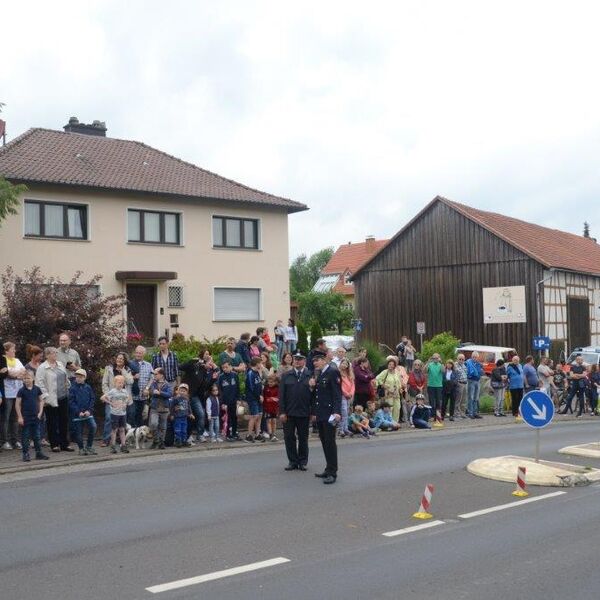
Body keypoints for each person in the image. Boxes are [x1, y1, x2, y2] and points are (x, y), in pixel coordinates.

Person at [311, 351, 342, 485]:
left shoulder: (332, 371)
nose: (315, 363)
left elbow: (336, 394)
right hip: (321, 413)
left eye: (317, 360)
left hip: (330, 413)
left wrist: (336, 411)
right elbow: (319, 395)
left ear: (324, 360)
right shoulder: (320, 373)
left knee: (330, 442)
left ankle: (333, 472)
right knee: (324, 441)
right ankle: (328, 468)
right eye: (314, 361)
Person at [35, 346, 73, 453]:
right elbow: (39, 384)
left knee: (64, 420)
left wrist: (68, 384)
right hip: (51, 398)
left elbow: (65, 377)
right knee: (52, 422)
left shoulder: (60, 364)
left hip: (63, 396)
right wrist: (45, 397)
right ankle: (54, 444)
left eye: (56, 353)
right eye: (54, 353)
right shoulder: (42, 367)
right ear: (47, 355)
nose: (56, 354)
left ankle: (64, 443)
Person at [279, 353, 313, 471]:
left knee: (303, 438)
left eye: (300, 359)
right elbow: (281, 395)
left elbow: (313, 396)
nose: (297, 361)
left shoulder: (310, 375)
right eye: (296, 359)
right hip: (289, 413)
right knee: (289, 437)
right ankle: (292, 461)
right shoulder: (286, 375)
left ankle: (302, 461)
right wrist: (282, 412)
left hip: (304, 412)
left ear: (304, 361)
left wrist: (313, 412)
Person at [101, 353, 134, 447]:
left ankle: (119, 440)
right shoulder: (109, 368)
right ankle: (106, 439)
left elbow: (130, 381)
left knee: (121, 420)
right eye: (118, 358)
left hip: (122, 400)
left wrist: (123, 371)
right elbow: (105, 383)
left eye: (121, 359)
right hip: (111, 398)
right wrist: (108, 395)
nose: (119, 360)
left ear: (125, 361)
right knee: (108, 417)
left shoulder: (127, 370)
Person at [15, 371, 48, 462]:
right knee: (25, 436)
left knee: (37, 436)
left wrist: (40, 412)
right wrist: (20, 417)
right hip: (26, 417)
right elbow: (17, 404)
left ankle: (38, 453)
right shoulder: (21, 391)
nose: (26, 380)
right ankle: (25, 454)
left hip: (36, 417)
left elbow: (41, 400)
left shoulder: (37, 389)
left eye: (28, 378)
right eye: (24, 378)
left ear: (33, 379)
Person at [179, 351, 211, 444]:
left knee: (201, 414)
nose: (208, 356)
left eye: (209, 355)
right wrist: (192, 361)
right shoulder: (193, 364)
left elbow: (204, 386)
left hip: (195, 396)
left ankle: (199, 435)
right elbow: (181, 367)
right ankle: (187, 436)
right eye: (206, 354)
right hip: (185, 395)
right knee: (187, 416)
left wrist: (213, 379)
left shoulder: (204, 371)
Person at [2, 342, 25, 450]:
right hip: (7, 392)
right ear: (6, 351)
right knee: (5, 417)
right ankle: (4, 441)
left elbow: (23, 372)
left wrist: (13, 373)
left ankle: (15, 440)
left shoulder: (17, 361)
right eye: (12, 349)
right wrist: (15, 374)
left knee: (15, 417)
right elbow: (7, 374)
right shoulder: (3, 360)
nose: (14, 351)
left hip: (17, 393)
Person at [68, 368, 97, 455]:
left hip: (88, 413)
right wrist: (78, 412)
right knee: (78, 432)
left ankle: (89, 446)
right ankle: (81, 448)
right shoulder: (72, 388)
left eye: (81, 377)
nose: (78, 378)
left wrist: (89, 410)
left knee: (93, 427)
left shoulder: (88, 387)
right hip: (77, 415)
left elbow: (92, 399)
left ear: (84, 378)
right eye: (77, 376)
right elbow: (71, 402)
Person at [101, 374, 131, 454]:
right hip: (114, 413)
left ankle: (123, 445)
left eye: (122, 383)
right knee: (114, 430)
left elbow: (128, 397)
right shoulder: (113, 391)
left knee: (122, 429)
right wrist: (111, 403)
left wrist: (125, 403)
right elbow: (103, 398)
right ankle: (113, 446)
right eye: (119, 382)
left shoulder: (124, 391)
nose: (121, 384)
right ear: (115, 383)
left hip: (123, 413)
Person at [147, 368, 172, 450]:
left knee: (163, 427)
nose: (154, 375)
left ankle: (161, 442)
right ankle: (155, 440)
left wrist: (160, 393)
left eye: (156, 374)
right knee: (153, 424)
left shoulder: (167, 384)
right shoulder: (153, 383)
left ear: (161, 375)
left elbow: (170, 394)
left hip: (164, 408)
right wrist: (150, 391)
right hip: (154, 407)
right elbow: (150, 392)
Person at [129, 345, 153, 427]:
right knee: (132, 414)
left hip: (143, 396)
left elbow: (152, 378)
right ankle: (131, 433)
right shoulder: (130, 364)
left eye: (140, 353)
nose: (138, 354)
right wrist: (133, 377)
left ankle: (139, 435)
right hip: (132, 395)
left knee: (141, 416)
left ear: (144, 354)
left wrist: (147, 388)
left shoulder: (148, 365)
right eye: (137, 352)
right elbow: (124, 377)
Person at [218, 361, 240, 441]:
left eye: (226, 367)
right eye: (223, 367)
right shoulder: (221, 377)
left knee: (234, 417)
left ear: (230, 366)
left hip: (234, 400)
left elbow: (238, 388)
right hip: (226, 402)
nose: (225, 369)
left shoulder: (235, 375)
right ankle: (227, 434)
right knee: (227, 418)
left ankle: (234, 433)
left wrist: (238, 399)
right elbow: (220, 391)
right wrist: (222, 403)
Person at [375, 356, 402, 423]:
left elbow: (399, 382)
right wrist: (383, 385)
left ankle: (395, 423)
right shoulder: (385, 372)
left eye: (393, 364)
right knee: (389, 408)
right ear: (387, 365)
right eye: (390, 364)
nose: (391, 366)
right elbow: (377, 378)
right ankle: (389, 423)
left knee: (397, 408)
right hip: (388, 394)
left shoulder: (397, 373)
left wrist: (400, 388)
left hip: (396, 394)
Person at [244, 357, 264, 442]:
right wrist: (258, 396)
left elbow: (260, 385)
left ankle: (257, 434)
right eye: (260, 363)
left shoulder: (257, 373)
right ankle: (249, 435)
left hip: (259, 397)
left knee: (259, 415)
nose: (261, 365)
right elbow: (252, 387)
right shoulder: (250, 373)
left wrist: (261, 395)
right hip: (252, 398)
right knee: (254, 416)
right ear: (257, 364)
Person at [338, 358, 354, 438]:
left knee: (347, 412)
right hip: (342, 395)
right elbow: (339, 385)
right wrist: (346, 393)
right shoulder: (338, 373)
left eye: (346, 364)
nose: (344, 365)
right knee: (343, 412)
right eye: (343, 363)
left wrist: (351, 393)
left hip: (349, 396)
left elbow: (353, 385)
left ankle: (346, 428)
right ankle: (341, 429)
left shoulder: (349, 374)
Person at [465, 352, 484, 419]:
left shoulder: (479, 364)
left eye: (476, 357)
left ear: (477, 357)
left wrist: (481, 371)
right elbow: (466, 371)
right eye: (473, 357)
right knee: (471, 397)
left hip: (477, 381)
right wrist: (470, 375)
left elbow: (481, 372)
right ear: (471, 357)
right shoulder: (468, 362)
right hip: (471, 381)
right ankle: (470, 413)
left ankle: (475, 413)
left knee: (476, 398)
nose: (475, 358)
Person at [426, 354, 444, 423]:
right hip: (430, 385)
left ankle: (438, 416)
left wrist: (441, 363)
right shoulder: (430, 365)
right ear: (432, 358)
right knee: (431, 402)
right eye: (434, 358)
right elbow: (424, 370)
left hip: (439, 386)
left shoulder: (440, 365)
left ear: (439, 358)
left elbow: (443, 371)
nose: (435, 359)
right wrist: (427, 362)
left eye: (437, 358)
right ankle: (432, 416)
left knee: (438, 402)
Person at [263, 374, 280, 442]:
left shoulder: (277, 388)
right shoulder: (266, 388)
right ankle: (270, 434)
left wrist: (271, 398)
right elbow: (265, 398)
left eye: (272, 382)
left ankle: (274, 434)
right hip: (267, 408)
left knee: (274, 421)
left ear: (275, 382)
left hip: (274, 408)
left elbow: (278, 398)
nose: (270, 383)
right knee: (269, 421)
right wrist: (271, 399)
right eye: (269, 382)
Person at [454, 354, 468, 418]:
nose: (461, 360)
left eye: (463, 359)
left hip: (465, 383)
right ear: (457, 359)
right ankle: (456, 413)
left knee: (464, 400)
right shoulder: (455, 365)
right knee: (458, 400)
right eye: (460, 359)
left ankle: (463, 413)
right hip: (459, 383)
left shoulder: (464, 365)